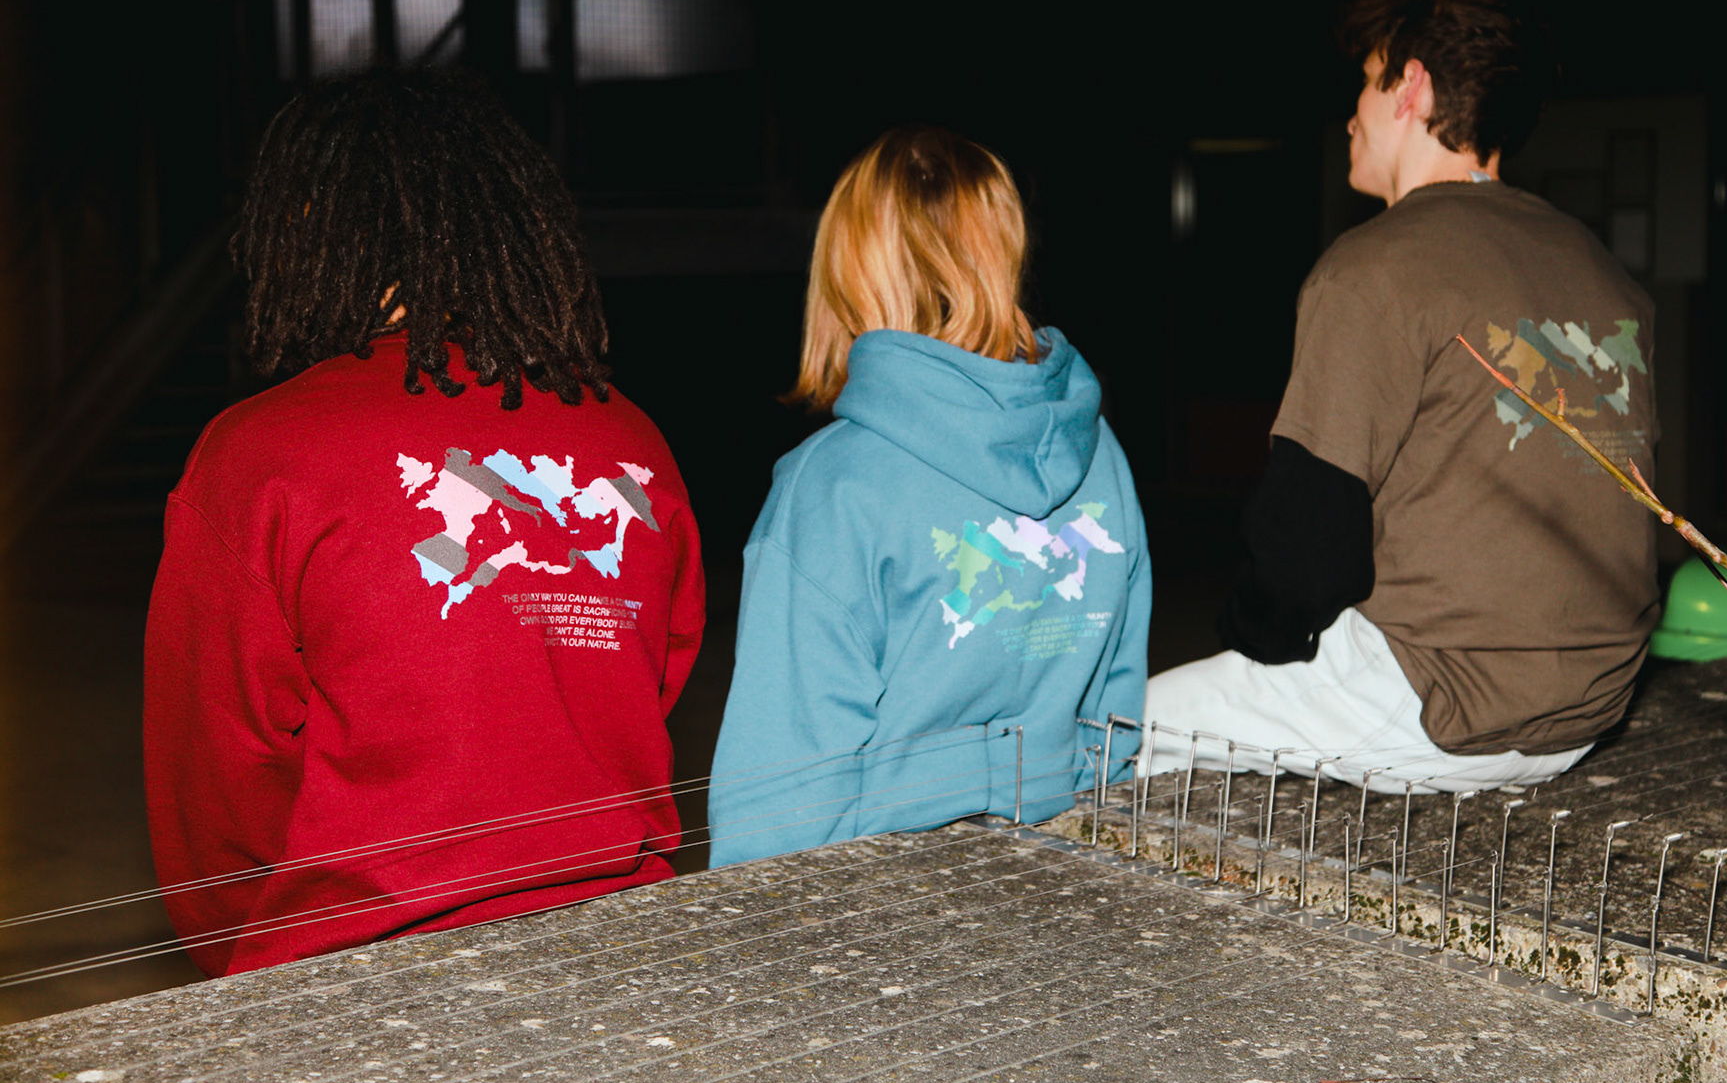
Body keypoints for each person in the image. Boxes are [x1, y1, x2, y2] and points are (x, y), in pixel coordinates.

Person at [144, 68, 704, 976]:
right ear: (514, 219)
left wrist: (252, 965)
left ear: (309, 225)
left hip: (358, 977)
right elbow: (654, 680)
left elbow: (215, 781)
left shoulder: (261, 456)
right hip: (622, 952)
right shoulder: (630, 439)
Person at [1144, 0, 1658, 793]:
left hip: (1439, 703)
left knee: (1107, 731)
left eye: (1364, 83)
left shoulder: (1375, 266)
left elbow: (1307, 553)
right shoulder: (1599, 269)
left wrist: (1251, 640)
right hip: (1589, 706)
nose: (1351, 116)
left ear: (1409, 88)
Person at [706, 126, 1150, 865]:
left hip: (877, 898)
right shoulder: (1099, 450)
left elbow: (779, 798)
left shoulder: (832, 486)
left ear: (848, 269)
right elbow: (1114, 719)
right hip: (1059, 866)